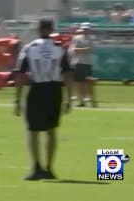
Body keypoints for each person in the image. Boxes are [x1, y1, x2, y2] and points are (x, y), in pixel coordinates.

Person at [13, 18, 73, 180]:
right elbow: (67, 74)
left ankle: (36, 167)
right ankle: (49, 168)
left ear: (38, 29)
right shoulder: (60, 49)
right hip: (54, 90)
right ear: (52, 29)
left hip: (37, 90)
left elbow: (20, 75)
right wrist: (69, 98)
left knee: (33, 130)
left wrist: (17, 100)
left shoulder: (29, 48)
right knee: (51, 130)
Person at [68, 24, 97, 107]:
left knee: (88, 83)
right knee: (78, 83)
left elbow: (91, 50)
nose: (85, 31)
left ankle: (92, 101)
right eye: (84, 29)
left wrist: (79, 50)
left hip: (87, 63)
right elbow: (72, 50)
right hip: (78, 63)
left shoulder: (91, 39)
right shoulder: (76, 38)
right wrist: (84, 50)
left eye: (87, 29)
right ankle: (81, 101)